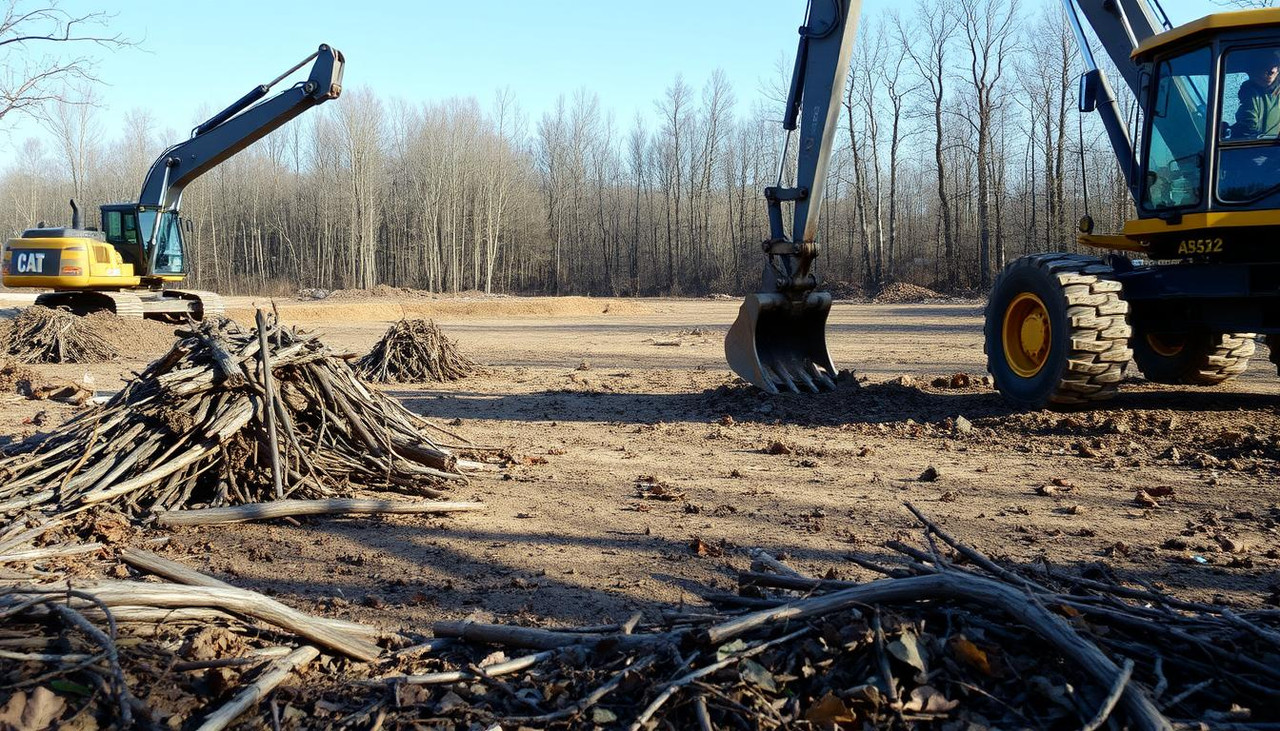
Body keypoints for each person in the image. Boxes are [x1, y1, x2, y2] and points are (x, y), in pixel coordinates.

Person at [1232, 49, 1280, 139]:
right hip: (1257, 148)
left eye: (1271, 71)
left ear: (1277, 70)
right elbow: (1248, 125)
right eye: (1261, 67)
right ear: (1251, 72)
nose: (1266, 74)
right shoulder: (1249, 92)